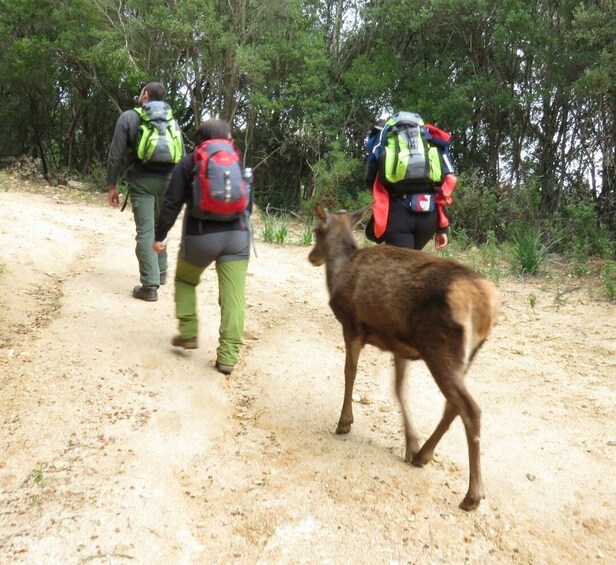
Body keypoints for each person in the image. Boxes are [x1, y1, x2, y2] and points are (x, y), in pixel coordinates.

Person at [153, 118, 252, 376]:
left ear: (198, 138)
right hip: (237, 237)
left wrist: (159, 235)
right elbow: (248, 204)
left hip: (200, 237)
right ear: (227, 138)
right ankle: (228, 358)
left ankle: (188, 332)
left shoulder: (189, 162)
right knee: (234, 298)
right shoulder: (235, 160)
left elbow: (171, 204)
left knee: (185, 280)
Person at [107, 81, 184, 302]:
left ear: (145, 95)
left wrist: (112, 185)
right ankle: (160, 272)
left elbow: (116, 153)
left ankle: (149, 286)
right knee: (162, 226)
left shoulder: (129, 118)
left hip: (142, 182)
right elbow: (182, 153)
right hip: (170, 182)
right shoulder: (172, 122)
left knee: (146, 231)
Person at [364, 118, 450, 252]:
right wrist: (442, 228)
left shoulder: (385, 136)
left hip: (398, 215)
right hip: (428, 216)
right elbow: (447, 182)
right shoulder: (429, 137)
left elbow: (370, 178)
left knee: (402, 268)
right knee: (412, 264)